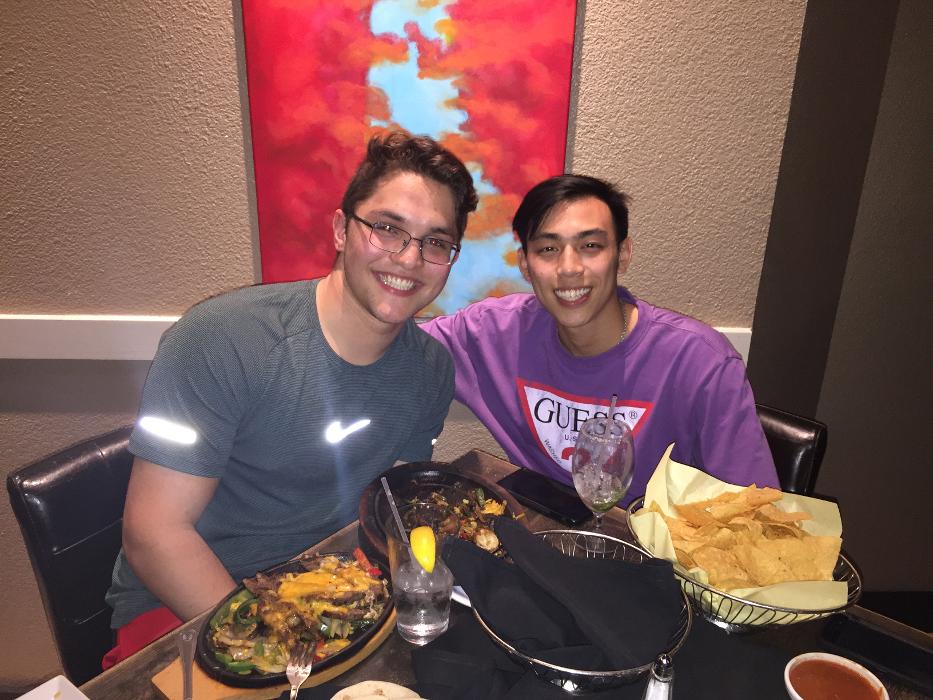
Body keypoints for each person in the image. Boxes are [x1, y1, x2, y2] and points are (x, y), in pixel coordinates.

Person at [103, 132, 478, 666]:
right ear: (341, 230)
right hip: (183, 603)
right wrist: (275, 642)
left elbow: (387, 504)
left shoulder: (431, 370)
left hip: (334, 590)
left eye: (435, 242)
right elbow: (153, 535)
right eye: (388, 228)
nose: (409, 258)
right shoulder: (220, 340)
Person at [422, 174, 778, 503]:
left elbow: (757, 514)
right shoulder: (492, 334)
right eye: (548, 249)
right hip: (544, 534)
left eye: (590, 245)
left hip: (651, 547)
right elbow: (397, 345)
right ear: (526, 265)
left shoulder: (701, 363)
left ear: (622, 256)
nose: (569, 268)